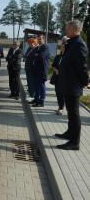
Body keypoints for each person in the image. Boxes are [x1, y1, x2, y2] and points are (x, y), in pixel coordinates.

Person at [55, 20, 88, 150]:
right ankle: (69, 133)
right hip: (67, 83)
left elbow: (82, 66)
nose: (65, 31)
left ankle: (75, 142)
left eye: (67, 28)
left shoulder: (79, 45)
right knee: (70, 112)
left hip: (73, 84)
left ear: (74, 30)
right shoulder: (71, 43)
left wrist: (85, 81)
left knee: (74, 114)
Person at [30, 34, 50, 107]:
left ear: (43, 40)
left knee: (41, 86)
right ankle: (36, 99)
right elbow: (32, 54)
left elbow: (41, 56)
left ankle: (41, 101)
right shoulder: (38, 47)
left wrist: (36, 54)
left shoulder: (45, 47)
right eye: (38, 39)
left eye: (40, 39)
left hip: (42, 70)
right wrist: (36, 54)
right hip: (35, 70)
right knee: (36, 85)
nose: (39, 40)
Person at [51, 37, 68, 115]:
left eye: (64, 47)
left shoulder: (68, 57)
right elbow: (53, 65)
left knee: (63, 93)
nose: (62, 48)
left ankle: (62, 108)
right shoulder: (58, 56)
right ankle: (60, 106)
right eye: (62, 47)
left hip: (65, 79)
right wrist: (56, 70)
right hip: (57, 78)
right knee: (58, 92)